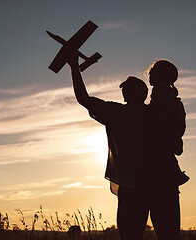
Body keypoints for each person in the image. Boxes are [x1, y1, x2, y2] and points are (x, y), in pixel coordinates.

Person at [67, 55, 186, 240]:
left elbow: (83, 98)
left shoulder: (118, 113)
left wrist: (74, 67)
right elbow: (177, 144)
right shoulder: (159, 109)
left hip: (135, 187)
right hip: (165, 182)